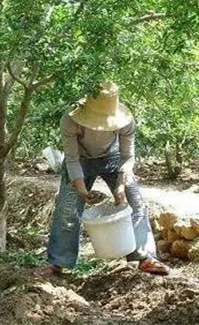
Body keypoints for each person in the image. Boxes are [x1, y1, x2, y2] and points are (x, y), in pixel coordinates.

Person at [36, 80, 169, 276]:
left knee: (135, 201)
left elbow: (127, 156)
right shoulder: (70, 120)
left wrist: (121, 187)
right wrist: (82, 190)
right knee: (67, 208)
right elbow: (71, 159)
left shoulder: (127, 122)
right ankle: (58, 262)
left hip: (113, 158)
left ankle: (144, 257)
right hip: (80, 159)